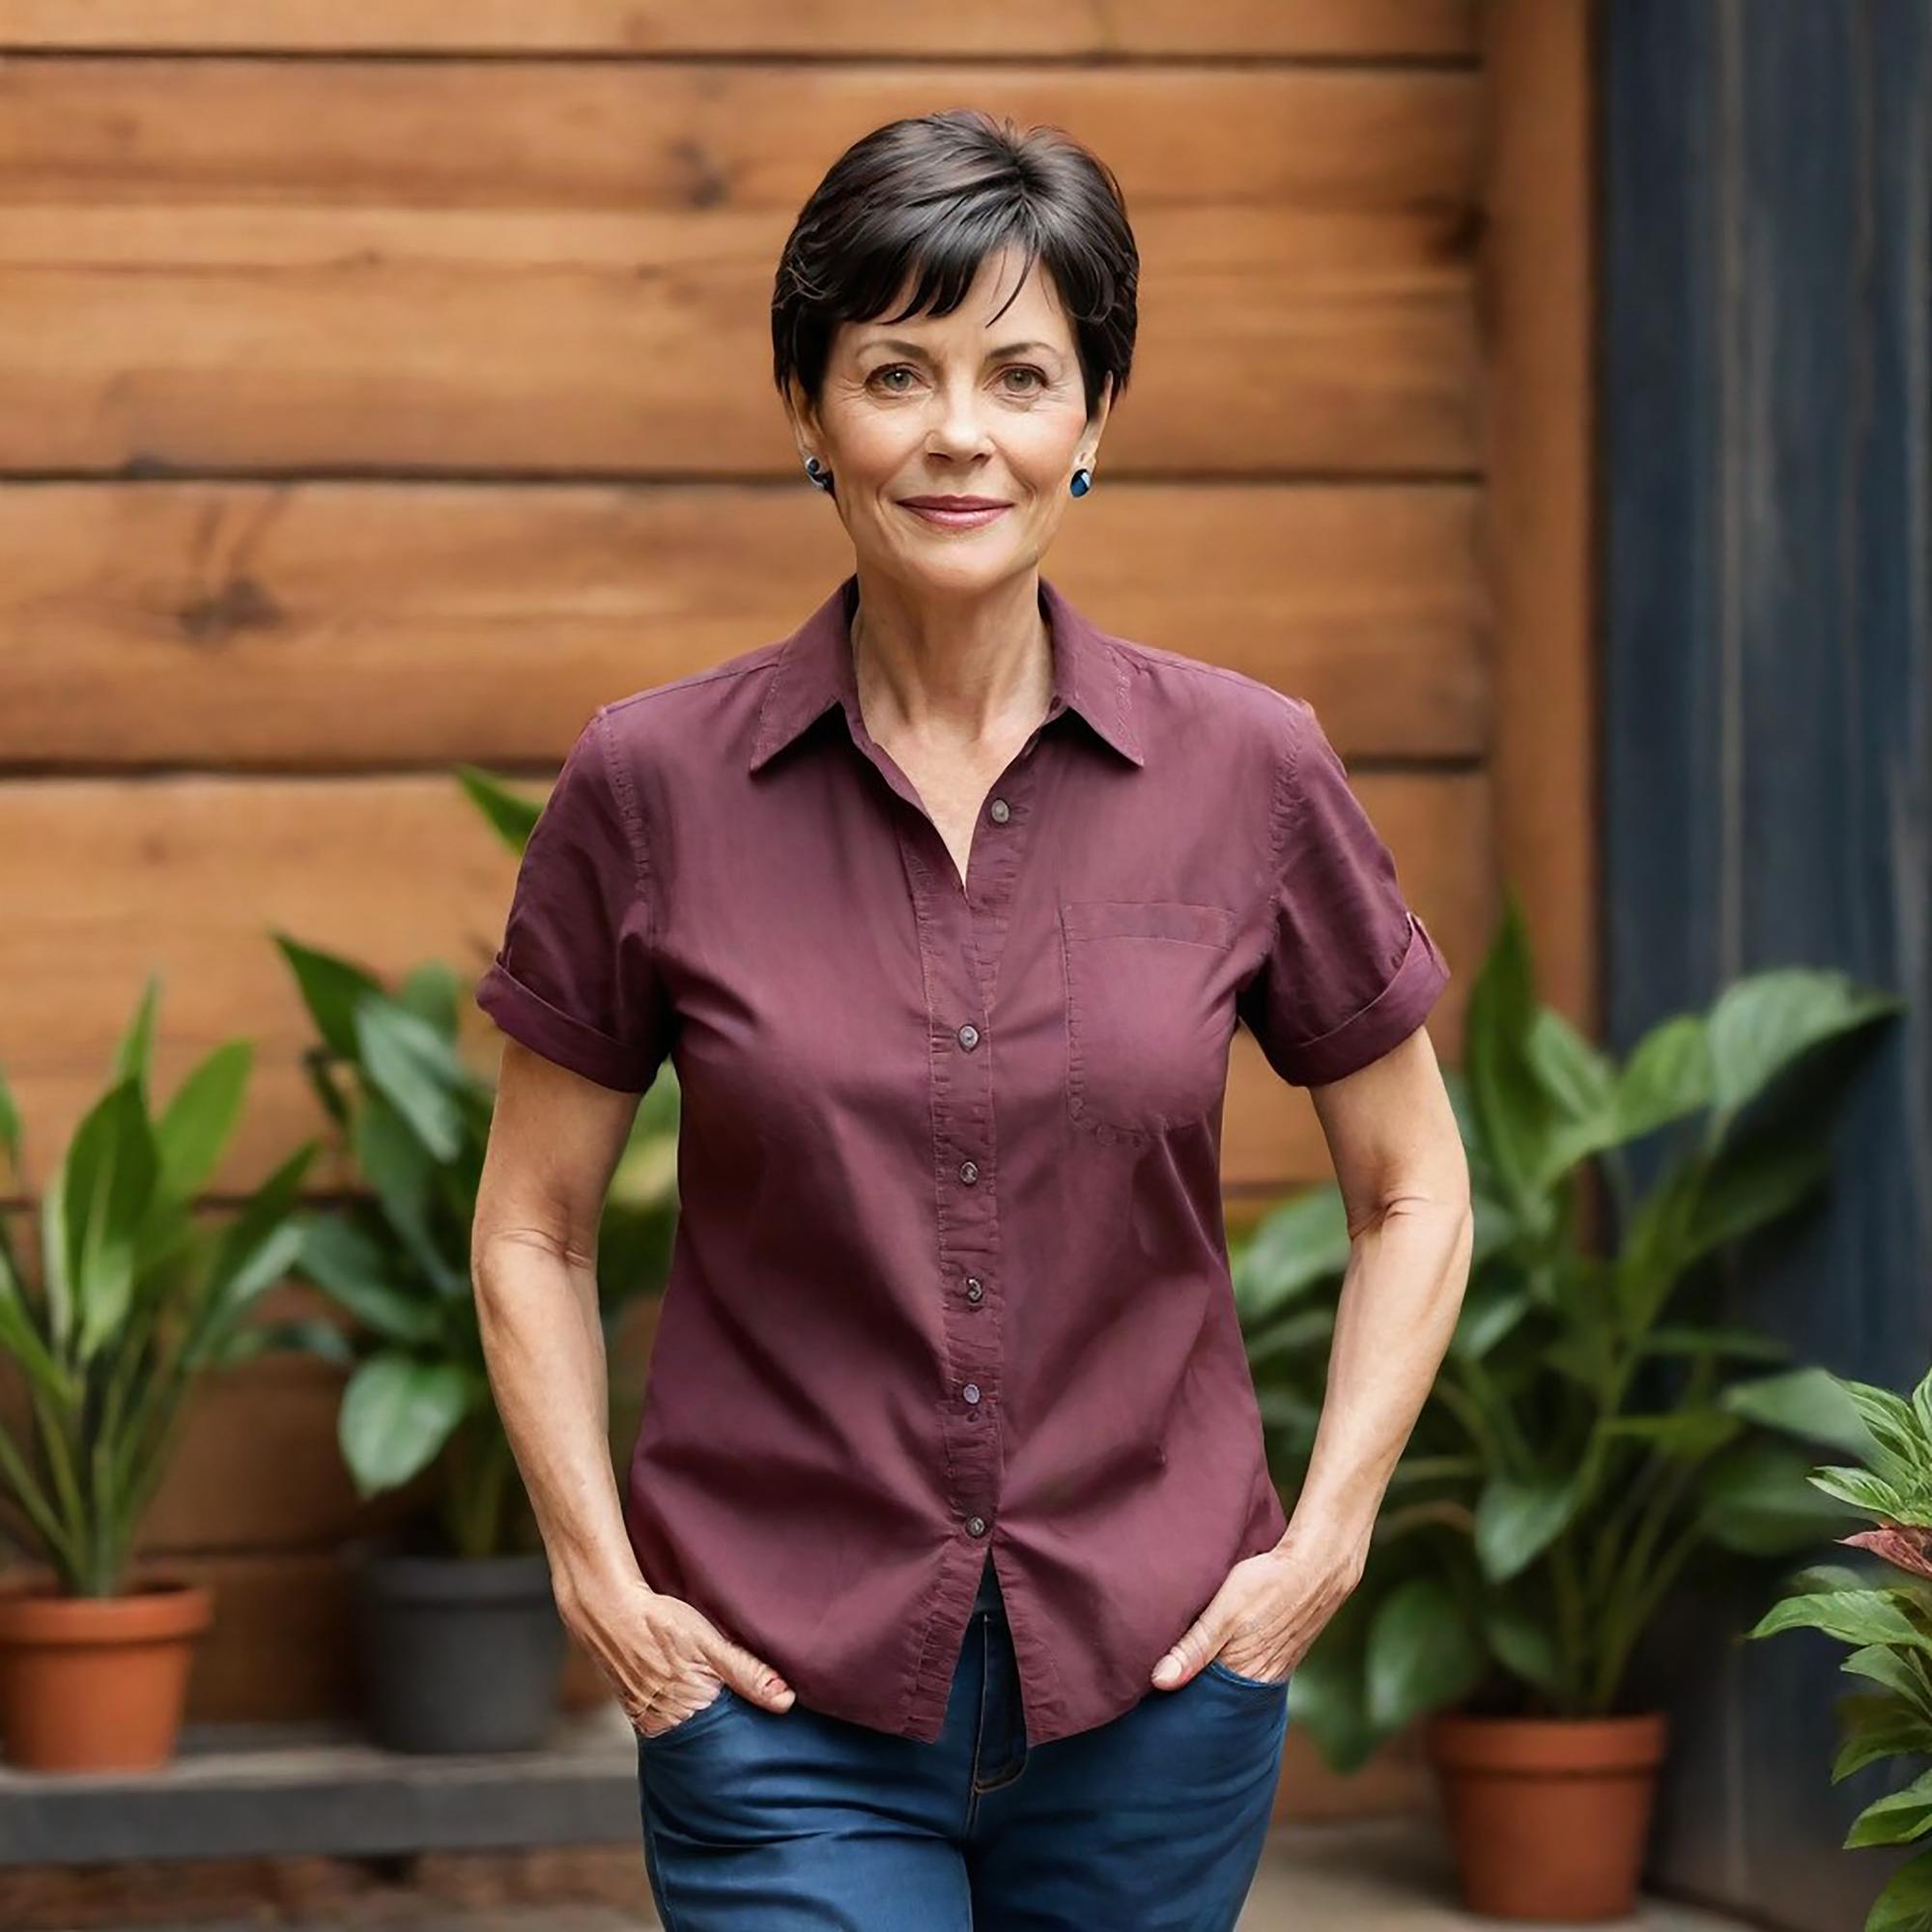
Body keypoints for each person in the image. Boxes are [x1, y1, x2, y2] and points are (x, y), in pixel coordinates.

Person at [470, 106, 1472, 1932]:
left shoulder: (1249, 767)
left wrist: (1320, 1549)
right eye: (894, 370)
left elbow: (1416, 1184)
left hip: (1161, 1682)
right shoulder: (653, 783)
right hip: (776, 1687)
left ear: (1093, 419)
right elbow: (529, 1220)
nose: (958, 434)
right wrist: (598, 1586)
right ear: (809, 408)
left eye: (1021, 373)